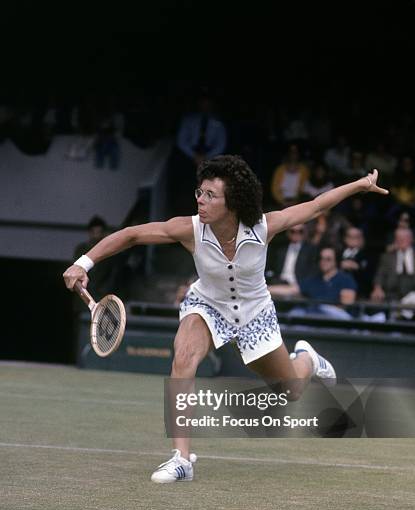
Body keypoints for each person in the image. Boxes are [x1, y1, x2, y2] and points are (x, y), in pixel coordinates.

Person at [63, 156, 388, 483]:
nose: (200, 201)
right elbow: (132, 234)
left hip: (255, 314)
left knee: (291, 389)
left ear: (232, 202)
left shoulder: (264, 226)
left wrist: (360, 185)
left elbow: (318, 205)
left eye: (210, 196)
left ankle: (307, 359)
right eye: (199, 193)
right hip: (207, 305)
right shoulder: (189, 229)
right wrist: (83, 264)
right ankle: (182, 459)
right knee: (184, 358)